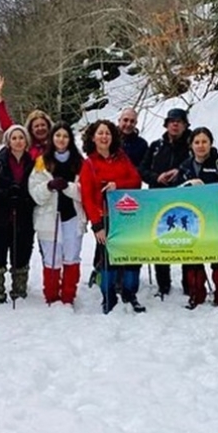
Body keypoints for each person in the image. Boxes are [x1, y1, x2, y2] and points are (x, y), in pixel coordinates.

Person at [80, 120, 146, 314]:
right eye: (100, 133)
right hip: (105, 217)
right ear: (93, 138)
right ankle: (108, 297)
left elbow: (136, 180)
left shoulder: (121, 158)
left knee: (132, 256)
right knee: (108, 259)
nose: (104, 137)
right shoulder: (89, 164)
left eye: (107, 133)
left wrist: (117, 184)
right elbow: (87, 198)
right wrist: (97, 225)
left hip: (126, 215)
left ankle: (130, 293)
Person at [172, 127, 218, 309]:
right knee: (193, 259)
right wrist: (187, 185)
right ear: (191, 145)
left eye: (204, 142)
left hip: (215, 219)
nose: (200, 146)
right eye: (197, 142)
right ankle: (196, 295)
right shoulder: (185, 166)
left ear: (210, 143)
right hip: (191, 221)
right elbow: (175, 193)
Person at [29, 123, 86, 305]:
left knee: (71, 256)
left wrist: (68, 187)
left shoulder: (80, 162)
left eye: (65, 136)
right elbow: (34, 192)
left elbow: (86, 191)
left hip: (72, 215)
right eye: (58, 136)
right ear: (52, 138)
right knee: (52, 258)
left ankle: (68, 295)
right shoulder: (42, 161)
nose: (61, 139)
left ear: (70, 139)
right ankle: (51, 296)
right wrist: (48, 186)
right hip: (49, 217)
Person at [140, 107, 192, 297]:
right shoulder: (156, 146)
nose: (175, 125)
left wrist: (180, 172)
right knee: (161, 240)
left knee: (188, 241)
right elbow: (142, 170)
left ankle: (189, 284)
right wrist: (156, 177)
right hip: (158, 199)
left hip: (185, 200)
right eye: (172, 121)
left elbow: (200, 164)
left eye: (179, 121)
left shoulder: (192, 144)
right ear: (167, 124)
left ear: (185, 125)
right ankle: (163, 284)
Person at [0, 124, 37, 303]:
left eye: (21, 138)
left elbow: (38, 188)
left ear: (26, 141)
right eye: (14, 138)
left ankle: (19, 290)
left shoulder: (33, 164)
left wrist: (24, 198)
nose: (18, 141)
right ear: (8, 141)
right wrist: (6, 194)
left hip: (24, 217)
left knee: (21, 255)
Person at [0, 75, 52, 159]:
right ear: (31, 129)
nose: (40, 128)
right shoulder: (26, 146)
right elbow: (8, 127)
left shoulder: (57, 144)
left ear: (48, 126)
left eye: (43, 125)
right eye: (36, 126)